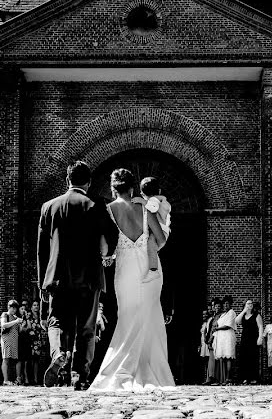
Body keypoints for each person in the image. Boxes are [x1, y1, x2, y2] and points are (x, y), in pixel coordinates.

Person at [90, 167, 175, 391]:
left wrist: (111, 256)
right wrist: (147, 246)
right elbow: (160, 239)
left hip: (125, 271)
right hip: (150, 269)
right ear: (132, 188)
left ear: (113, 188)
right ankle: (151, 369)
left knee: (127, 316)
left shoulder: (108, 211)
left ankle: (121, 367)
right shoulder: (146, 209)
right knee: (150, 316)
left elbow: (105, 249)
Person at [39, 161, 118, 390]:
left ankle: (57, 353)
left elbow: (42, 249)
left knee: (56, 322)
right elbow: (111, 235)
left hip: (57, 277)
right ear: (89, 182)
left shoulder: (49, 207)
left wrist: (43, 282)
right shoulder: (96, 204)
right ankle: (79, 376)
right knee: (86, 327)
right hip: (89, 276)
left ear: (67, 180)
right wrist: (107, 254)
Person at [139, 176, 172, 279]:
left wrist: (143, 202)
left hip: (160, 229)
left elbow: (152, 209)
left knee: (151, 247)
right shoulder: (163, 201)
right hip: (164, 229)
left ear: (143, 194)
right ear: (159, 190)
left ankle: (153, 271)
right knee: (153, 248)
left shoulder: (153, 200)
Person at [210, 295, 237, 385]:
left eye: (227, 304)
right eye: (224, 304)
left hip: (228, 337)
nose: (225, 306)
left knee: (228, 357)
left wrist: (217, 329)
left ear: (230, 304)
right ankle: (223, 378)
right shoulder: (223, 314)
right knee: (223, 358)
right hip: (221, 337)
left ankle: (229, 378)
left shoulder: (232, 313)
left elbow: (227, 326)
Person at [236, 299, 263, 384]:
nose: (250, 305)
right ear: (245, 305)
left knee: (253, 358)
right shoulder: (243, 316)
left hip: (253, 338)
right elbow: (236, 321)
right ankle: (245, 378)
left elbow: (261, 327)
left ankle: (253, 378)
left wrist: (260, 338)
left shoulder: (256, 315)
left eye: (251, 303)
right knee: (244, 358)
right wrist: (244, 311)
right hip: (245, 339)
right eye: (248, 303)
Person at [0, 300, 23, 385]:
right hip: (7, 339)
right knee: (6, 358)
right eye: (12, 308)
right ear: (8, 307)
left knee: (13, 359)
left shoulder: (15, 317)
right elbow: (3, 325)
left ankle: (14, 379)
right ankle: (5, 380)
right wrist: (15, 321)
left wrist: (21, 324)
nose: (14, 310)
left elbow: (19, 330)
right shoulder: (5, 314)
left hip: (14, 340)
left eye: (15, 308)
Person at [202, 299, 221, 385]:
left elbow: (215, 329)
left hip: (215, 340)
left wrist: (210, 340)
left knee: (214, 360)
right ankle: (209, 378)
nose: (213, 308)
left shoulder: (218, 316)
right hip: (209, 340)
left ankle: (213, 378)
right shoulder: (212, 317)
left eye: (215, 306)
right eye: (213, 306)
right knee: (211, 360)